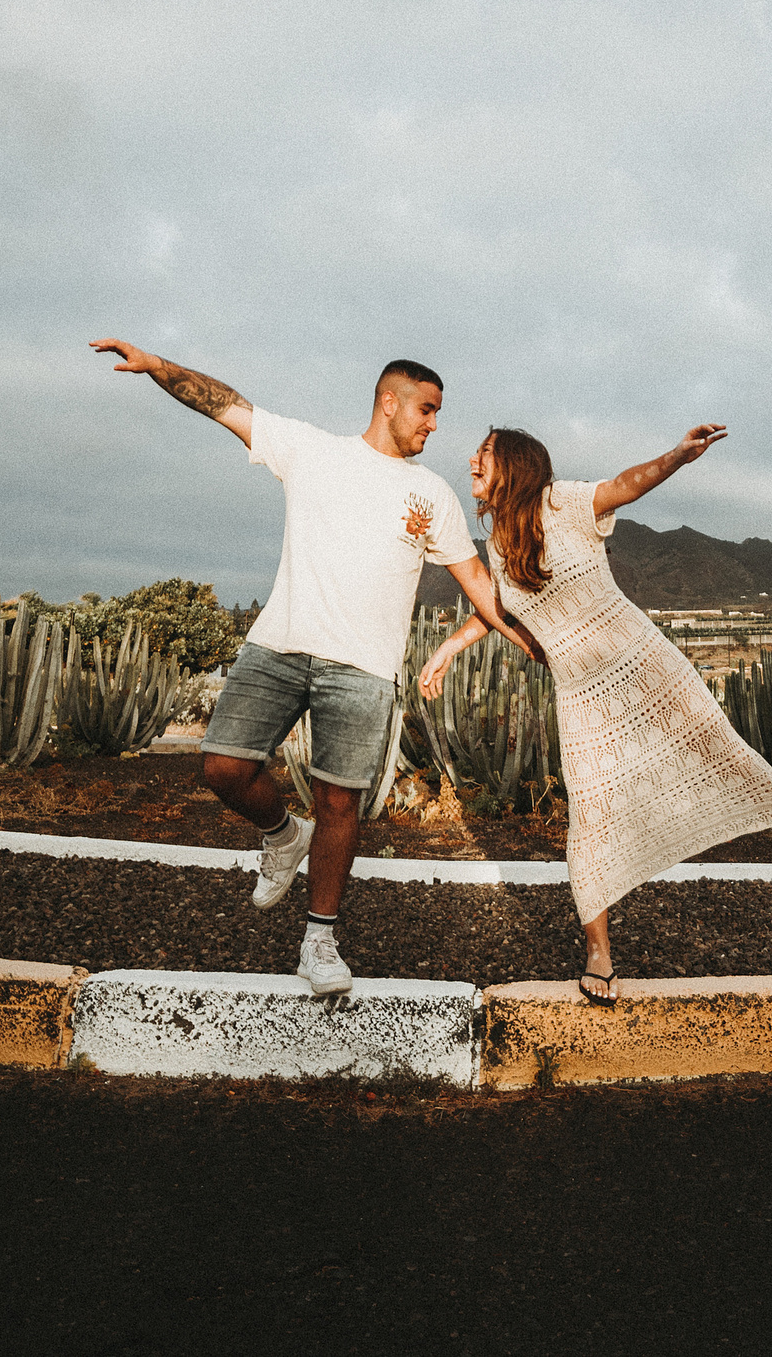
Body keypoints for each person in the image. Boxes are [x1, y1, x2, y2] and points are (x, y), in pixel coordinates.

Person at [90, 340, 537, 996]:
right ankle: (280, 833)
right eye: (426, 408)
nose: (434, 424)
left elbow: (475, 579)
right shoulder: (311, 450)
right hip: (279, 646)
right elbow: (226, 407)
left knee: (339, 802)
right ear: (390, 402)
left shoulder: (430, 493)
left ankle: (320, 940)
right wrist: (160, 367)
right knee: (224, 767)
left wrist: (530, 632)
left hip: (361, 670)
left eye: (437, 413)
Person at [419, 423, 772, 1005]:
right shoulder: (499, 548)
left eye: (482, 454)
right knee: (591, 814)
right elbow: (493, 611)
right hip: (581, 694)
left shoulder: (565, 501)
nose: (471, 463)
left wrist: (678, 458)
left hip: (647, 667)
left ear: (515, 464)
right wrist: (447, 651)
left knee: (729, 758)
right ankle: (600, 955)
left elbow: (627, 484)